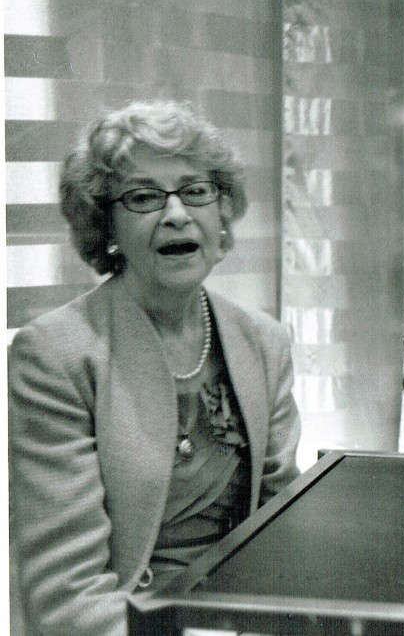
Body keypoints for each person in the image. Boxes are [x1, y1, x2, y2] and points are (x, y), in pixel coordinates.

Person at [9, 100, 302, 636]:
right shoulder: (54, 355)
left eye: (195, 191)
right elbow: (66, 595)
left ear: (222, 214)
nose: (176, 213)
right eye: (144, 197)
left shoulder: (264, 342)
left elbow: (286, 534)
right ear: (108, 225)